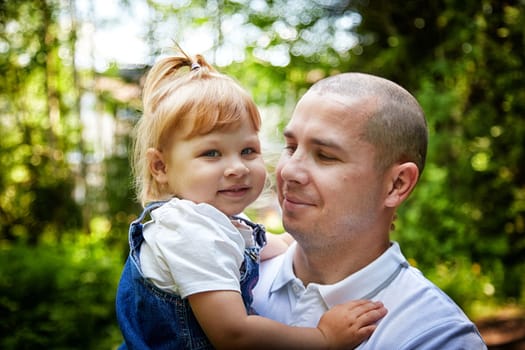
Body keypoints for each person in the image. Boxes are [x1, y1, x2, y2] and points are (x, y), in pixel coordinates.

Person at [115, 52, 388, 349]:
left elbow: (276, 244)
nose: (238, 168)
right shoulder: (188, 232)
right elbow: (233, 334)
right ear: (161, 167)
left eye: (248, 151)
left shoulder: (218, 222)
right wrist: (322, 338)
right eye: (211, 153)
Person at [252, 72, 488, 349]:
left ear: (396, 185)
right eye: (291, 147)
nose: (290, 171)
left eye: (325, 156)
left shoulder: (434, 335)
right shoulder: (231, 280)